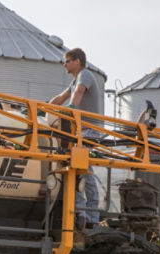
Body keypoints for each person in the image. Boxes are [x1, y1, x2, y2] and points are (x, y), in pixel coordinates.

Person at [49, 48, 101, 230]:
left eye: (67, 60)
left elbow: (77, 94)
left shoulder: (84, 76)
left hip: (89, 131)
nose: (64, 64)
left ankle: (89, 215)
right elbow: (61, 97)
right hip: (80, 132)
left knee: (82, 171)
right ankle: (80, 212)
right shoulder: (74, 81)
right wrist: (42, 108)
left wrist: (71, 108)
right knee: (77, 170)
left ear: (77, 61)